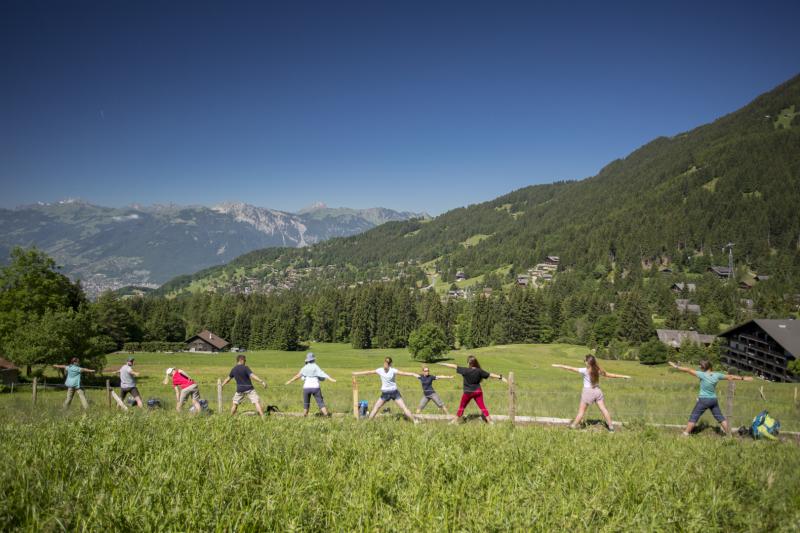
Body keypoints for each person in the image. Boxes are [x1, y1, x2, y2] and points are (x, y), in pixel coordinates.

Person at [669, 360, 753, 436]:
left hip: (703, 400)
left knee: (694, 416)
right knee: (720, 417)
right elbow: (730, 377)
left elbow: (688, 369)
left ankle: (685, 433)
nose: (699, 367)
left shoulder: (702, 374)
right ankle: (729, 434)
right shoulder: (717, 375)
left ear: (704, 367)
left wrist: (675, 366)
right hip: (713, 400)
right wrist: (743, 378)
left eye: (700, 366)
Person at [552, 354, 630, 432]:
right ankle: (611, 427)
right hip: (597, 391)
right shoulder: (598, 370)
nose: (584, 362)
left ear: (588, 362)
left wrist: (558, 365)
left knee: (581, 412)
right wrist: (623, 376)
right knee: (604, 409)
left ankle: (573, 426)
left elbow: (570, 368)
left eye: (584, 361)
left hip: (587, 392)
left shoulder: (584, 370)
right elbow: (611, 375)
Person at [438, 356, 506, 424]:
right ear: (475, 362)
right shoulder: (479, 371)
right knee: (482, 407)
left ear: (468, 363)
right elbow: (490, 374)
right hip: (478, 391)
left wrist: (443, 363)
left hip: (468, 392)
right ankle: (490, 422)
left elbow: (454, 366)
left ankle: (454, 421)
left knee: (462, 407)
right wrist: (500, 377)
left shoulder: (465, 370)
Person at [352, 357, 419, 423]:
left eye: (387, 363)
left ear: (390, 364)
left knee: (404, 408)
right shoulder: (380, 370)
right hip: (385, 393)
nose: (385, 365)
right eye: (385, 363)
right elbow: (369, 372)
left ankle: (415, 421)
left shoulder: (393, 370)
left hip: (394, 392)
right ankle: (368, 422)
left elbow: (403, 373)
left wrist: (413, 374)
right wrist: (356, 373)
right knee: (376, 407)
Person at [285, 352, 337, 417]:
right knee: (320, 402)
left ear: (307, 360)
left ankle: (304, 417)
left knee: (306, 403)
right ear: (313, 359)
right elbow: (322, 373)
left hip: (306, 387)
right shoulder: (316, 366)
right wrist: (331, 379)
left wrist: (290, 381)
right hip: (315, 387)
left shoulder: (304, 367)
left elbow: (298, 376)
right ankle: (326, 415)